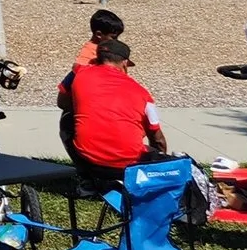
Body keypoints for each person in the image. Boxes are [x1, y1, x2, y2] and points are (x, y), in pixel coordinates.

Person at [57, 35, 170, 188]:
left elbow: (62, 102)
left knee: (67, 118)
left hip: (89, 160)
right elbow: (158, 140)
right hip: (127, 167)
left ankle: (86, 178)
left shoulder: (79, 74)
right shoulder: (143, 94)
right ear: (124, 63)